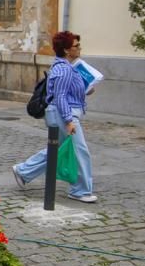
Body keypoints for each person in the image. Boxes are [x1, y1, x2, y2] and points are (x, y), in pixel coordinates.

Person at [11, 31, 97, 202]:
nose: (79, 48)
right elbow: (60, 97)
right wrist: (69, 121)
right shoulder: (64, 69)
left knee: (56, 150)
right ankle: (79, 191)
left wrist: (86, 90)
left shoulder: (65, 67)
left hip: (61, 113)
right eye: (76, 46)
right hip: (63, 114)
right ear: (66, 50)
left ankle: (23, 171)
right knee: (80, 151)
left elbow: (66, 93)